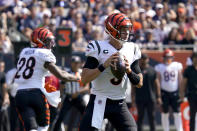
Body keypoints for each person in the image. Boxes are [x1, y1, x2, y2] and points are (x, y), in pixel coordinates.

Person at [79, 13, 143, 131]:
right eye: (123, 29)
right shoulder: (98, 47)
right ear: (112, 30)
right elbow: (84, 79)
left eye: (128, 29)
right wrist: (103, 66)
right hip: (99, 101)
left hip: (119, 103)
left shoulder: (132, 48)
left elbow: (139, 83)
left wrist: (129, 71)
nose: (127, 33)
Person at [14, 27, 80, 131]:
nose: (51, 44)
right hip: (36, 94)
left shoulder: (24, 52)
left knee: (31, 128)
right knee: (43, 127)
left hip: (20, 95)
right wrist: (77, 78)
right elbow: (61, 75)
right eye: (48, 41)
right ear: (40, 41)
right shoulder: (44, 54)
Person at [53, 56, 89, 131]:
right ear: (71, 63)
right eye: (74, 63)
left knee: (87, 115)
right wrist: (59, 99)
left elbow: (87, 87)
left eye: (77, 63)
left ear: (79, 64)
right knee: (61, 116)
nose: (76, 65)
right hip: (68, 97)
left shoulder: (81, 73)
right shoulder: (66, 73)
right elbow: (61, 87)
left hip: (78, 97)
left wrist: (78, 92)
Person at [155, 49, 183, 131]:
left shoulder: (177, 65)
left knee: (177, 113)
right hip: (164, 92)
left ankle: (179, 129)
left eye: (170, 57)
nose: (168, 59)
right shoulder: (160, 67)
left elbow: (180, 80)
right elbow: (158, 81)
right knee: (165, 113)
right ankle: (166, 129)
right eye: (167, 57)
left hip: (175, 92)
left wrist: (181, 93)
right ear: (163, 58)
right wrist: (159, 95)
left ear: (173, 57)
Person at [132, 53, 161, 131]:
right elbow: (133, 85)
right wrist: (133, 98)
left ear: (148, 59)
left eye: (145, 58)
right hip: (139, 98)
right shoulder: (136, 70)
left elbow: (157, 84)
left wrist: (158, 97)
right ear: (140, 60)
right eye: (142, 59)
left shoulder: (152, 70)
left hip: (150, 98)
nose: (144, 60)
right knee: (140, 117)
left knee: (152, 117)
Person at [180, 52, 197, 131]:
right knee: (192, 116)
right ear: (192, 59)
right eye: (195, 57)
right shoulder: (188, 70)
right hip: (192, 95)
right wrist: (182, 95)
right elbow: (184, 83)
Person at [0, 60, 10, 131]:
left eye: (3, 66)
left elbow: (4, 88)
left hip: (2, 102)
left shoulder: (3, 74)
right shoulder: (2, 75)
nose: (2, 68)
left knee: (5, 121)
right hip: (2, 101)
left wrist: (6, 98)